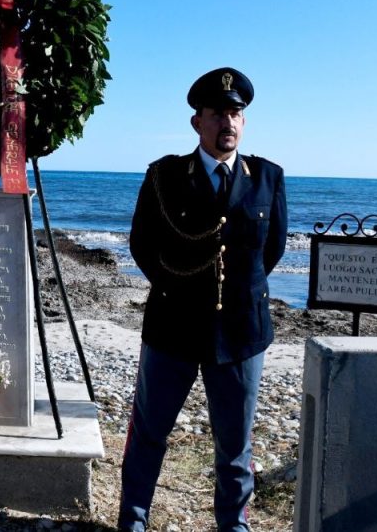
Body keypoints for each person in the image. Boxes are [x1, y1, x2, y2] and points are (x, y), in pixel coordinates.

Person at [118, 68, 288, 531]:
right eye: (217, 114)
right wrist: (180, 289)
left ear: (244, 122)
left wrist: (234, 294)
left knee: (235, 445)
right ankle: (132, 522)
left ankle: (234, 526)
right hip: (172, 328)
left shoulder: (267, 178)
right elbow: (142, 244)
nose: (227, 123)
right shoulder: (165, 175)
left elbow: (270, 251)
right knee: (149, 434)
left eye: (235, 113)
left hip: (241, 334)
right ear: (198, 123)